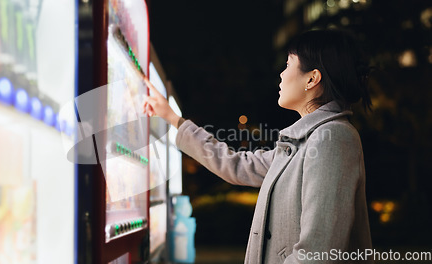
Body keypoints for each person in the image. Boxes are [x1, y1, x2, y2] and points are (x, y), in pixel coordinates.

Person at [143, 29, 373, 263]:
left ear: (312, 78)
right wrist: (173, 118)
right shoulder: (306, 141)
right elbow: (235, 165)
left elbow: (317, 253)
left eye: (288, 64)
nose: (282, 75)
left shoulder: (333, 137)